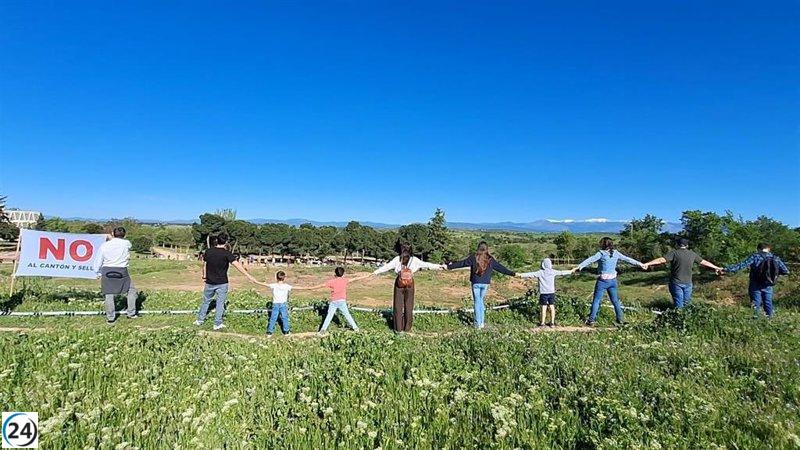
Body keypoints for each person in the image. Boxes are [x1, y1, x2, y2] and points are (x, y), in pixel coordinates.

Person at [372, 245, 445, 333]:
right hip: (410, 283)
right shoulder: (414, 260)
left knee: (398, 306)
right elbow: (427, 265)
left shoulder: (397, 259)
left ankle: (398, 329)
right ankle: (407, 328)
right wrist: (440, 266)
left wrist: (375, 272)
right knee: (408, 306)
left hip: (399, 282)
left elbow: (387, 267)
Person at [574, 237, 646, 326]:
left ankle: (591, 320)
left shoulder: (601, 253)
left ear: (603, 244)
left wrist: (579, 267)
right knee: (615, 301)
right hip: (613, 281)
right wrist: (641, 264)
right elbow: (628, 259)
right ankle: (620, 320)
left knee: (596, 300)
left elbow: (590, 260)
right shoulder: (616, 253)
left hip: (603, 281)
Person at [194, 233, 259, 331]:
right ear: (226, 242)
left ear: (217, 240)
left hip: (209, 282)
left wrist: (204, 275)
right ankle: (217, 324)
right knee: (220, 303)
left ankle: (199, 320)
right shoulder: (227, 254)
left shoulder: (208, 251)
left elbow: (205, 264)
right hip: (222, 283)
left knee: (206, 301)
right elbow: (238, 266)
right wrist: (249, 276)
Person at [446, 241, 516, 329]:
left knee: (477, 302)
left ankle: (477, 324)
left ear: (478, 248)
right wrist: (512, 273)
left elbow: (462, 263)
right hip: (485, 283)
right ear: (487, 249)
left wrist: (449, 267)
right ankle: (482, 323)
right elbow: (500, 268)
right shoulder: (490, 259)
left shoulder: (473, 257)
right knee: (481, 301)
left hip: (476, 282)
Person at [643, 238, 724, 308]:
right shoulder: (692, 254)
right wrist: (716, 267)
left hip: (676, 283)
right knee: (686, 304)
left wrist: (647, 263)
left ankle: (678, 322)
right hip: (688, 283)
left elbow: (661, 260)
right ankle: (684, 321)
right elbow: (704, 262)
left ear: (677, 245)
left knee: (679, 306)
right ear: (687, 245)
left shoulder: (674, 253)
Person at [723, 243, 790, 318]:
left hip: (755, 283)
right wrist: (773, 274)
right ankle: (770, 320)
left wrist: (726, 269)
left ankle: (756, 320)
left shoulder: (755, 256)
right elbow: (786, 271)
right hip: (768, 284)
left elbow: (742, 265)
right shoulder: (775, 258)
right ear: (769, 249)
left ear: (758, 249)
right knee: (768, 303)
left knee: (755, 303)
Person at [93, 227, 138, 325]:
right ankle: (131, 313)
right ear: (124, 235)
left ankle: (110, 318)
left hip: (107, 270)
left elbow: (98, 260)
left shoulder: (104, 245)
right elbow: (128, 244)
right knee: (131, 291)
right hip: (122, 271)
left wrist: (97, 272)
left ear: (113, 233)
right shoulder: (127, 243)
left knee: (109, 294)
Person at [517, 255, 575, 327]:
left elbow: (530, 274)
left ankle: (542, 323)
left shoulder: (540, 272)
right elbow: (562, 272)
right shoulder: (553, 271)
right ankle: (552, 323)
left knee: (543, 308)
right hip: (551, 293)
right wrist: (571, 271)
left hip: (543, 293)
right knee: (552, 307)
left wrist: (520, 275)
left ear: (542, 264)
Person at [311, 267, 370, 335]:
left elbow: (320, 285)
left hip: (334, 302)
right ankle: (356, 328)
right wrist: (367, 275)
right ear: (343, 274)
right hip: (342, 301)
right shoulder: (344, 280)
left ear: (335, 273)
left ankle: (322, 331)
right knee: (347, 315)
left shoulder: (332, 281)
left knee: (329, 316)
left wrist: (307, 288)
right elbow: (356, 279)